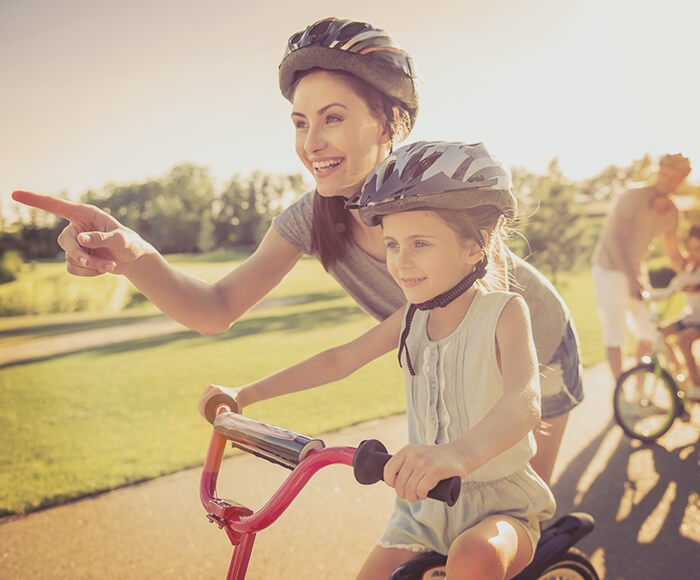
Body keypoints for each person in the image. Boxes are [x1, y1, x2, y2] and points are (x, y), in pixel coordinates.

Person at [11, 17, 581, 485]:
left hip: (532, 353)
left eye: (333, 119)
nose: (312, 143)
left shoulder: (440, 202)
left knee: (510, 518)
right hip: (456, 368)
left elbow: (490, 352)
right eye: (301, 122)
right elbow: (215, 310)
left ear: (390, 123)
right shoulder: (312, 218)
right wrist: (134, 254)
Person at [200, 141, 557, 580]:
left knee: (474, 560)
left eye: (420, 243)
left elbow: (524, 402)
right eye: (392, 244)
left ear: (476, 246)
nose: (400, 262)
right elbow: (338, 361)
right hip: (421, 512)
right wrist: (246, 393)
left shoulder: (503, 312)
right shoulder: (410, 318)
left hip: (500, 507)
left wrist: (459, 455)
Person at [592, 153, 691, 381]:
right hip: (610, 268)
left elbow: (674, 253)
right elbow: (615, 241)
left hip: (635, 270)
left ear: (681, 181)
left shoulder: (672, 211)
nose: (666, 180)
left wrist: (692, 275)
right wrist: (633, 280)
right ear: (659, 172)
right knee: (616, 332)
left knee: (647, 330)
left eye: (673, 178)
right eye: (664, 174)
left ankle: (638, 393)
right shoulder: (633, 196)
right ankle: (621, 393)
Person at [660, 224, 700, 399]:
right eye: (690, 248)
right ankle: (680, 370)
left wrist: (692, 286)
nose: (693, 253)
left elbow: (693, 287)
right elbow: (670, 289)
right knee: (660, 333)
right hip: (690, 316)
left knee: (682, 340)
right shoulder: (687, 270)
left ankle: (697, 386)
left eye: (698, 249)